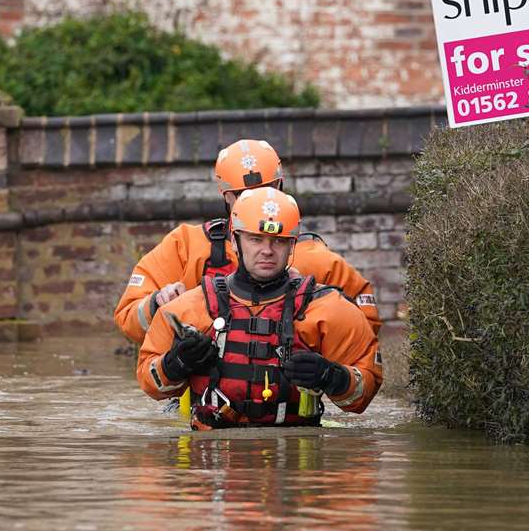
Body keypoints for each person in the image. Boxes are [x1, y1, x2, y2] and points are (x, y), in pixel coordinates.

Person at [137, 188, 383, 429]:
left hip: (294, 456)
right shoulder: (190, 308)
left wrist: (332, 376)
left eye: (278, 241)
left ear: (292, 245)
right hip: (210, 460)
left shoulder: (327, 310)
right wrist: (175, 362)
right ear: (235, 241)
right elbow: (150, 383)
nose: (267, 250)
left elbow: (366, 390)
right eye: (256, 239)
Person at [113, 139, 380, 343]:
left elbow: (363, 330)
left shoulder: (312, 257)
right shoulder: (186, 246)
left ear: (279, 188)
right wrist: (157, 303)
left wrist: (324, 361)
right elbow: (128, 320)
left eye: (263, 191)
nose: (254, 201)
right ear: (225, 195)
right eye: (241, 194)